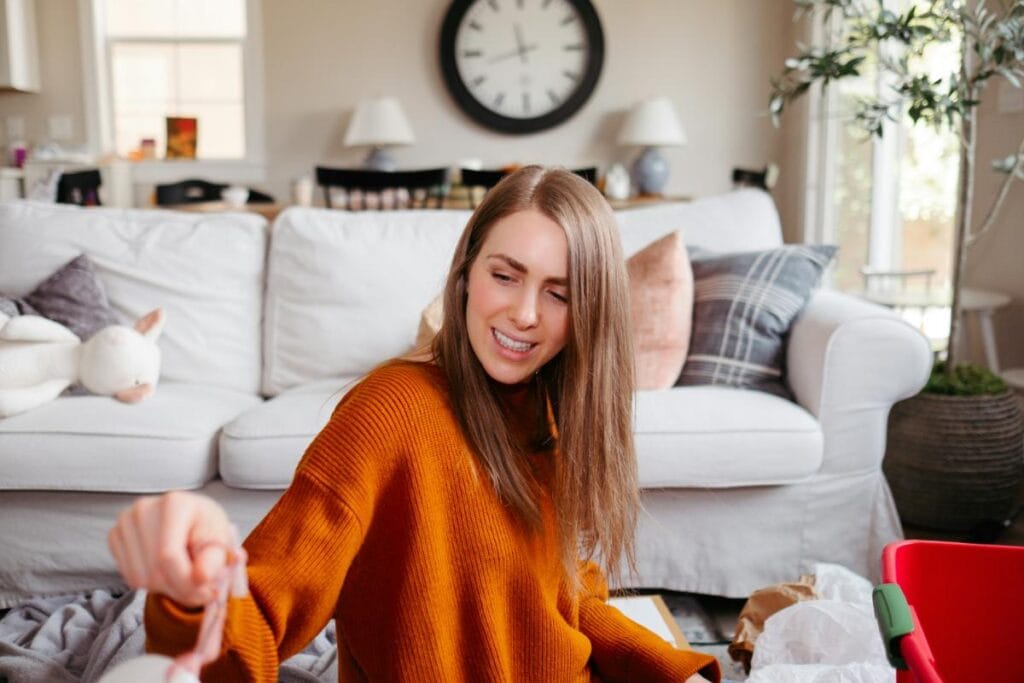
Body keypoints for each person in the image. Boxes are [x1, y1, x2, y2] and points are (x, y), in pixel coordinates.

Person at [107, 166, 720, 682]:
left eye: (559, 294)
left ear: (589, 311)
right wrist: (193, 585)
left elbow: (567, 596)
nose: (526, 313)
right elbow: (259, 618)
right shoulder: (388, 411)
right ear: (465, 276)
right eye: (504, 275)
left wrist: (671, 668)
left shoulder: (549, 407)